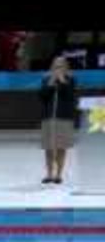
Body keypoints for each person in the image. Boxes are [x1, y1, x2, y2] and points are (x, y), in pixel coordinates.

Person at [39, 56, 81, 185]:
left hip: (64, 118)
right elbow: (42, 97)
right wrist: (50, 84)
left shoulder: (71, 80)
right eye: (56, 66)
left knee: (61, 147)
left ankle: (58, 175)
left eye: (60, 66)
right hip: (49, 118)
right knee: (49, 148)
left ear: (65, 67)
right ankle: (49, 174)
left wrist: (62, 82)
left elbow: (70, 97)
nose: (58, 68)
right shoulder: (47, 79)